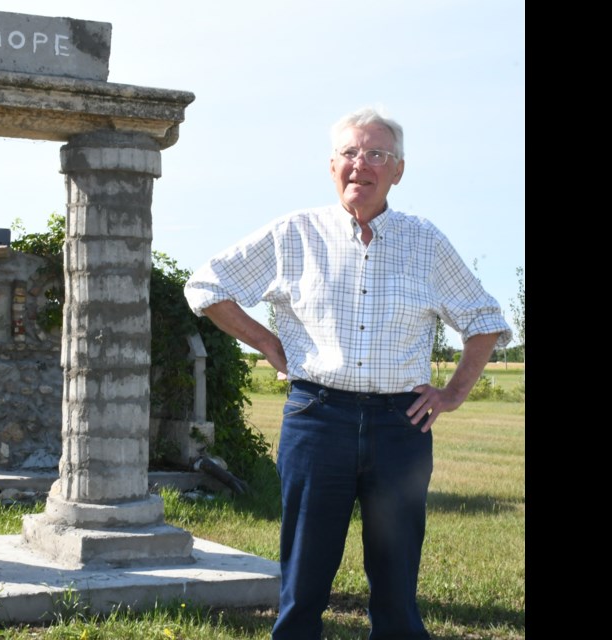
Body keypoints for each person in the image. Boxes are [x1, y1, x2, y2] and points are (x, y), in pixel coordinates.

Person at [183, 107, 512, 640]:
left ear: (398, 170)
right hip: (317, 419)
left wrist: (453, 392)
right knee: (305, 578)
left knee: (397, 577)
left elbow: (486, 320)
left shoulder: (424, 241)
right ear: (332, 164)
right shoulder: (295, 233)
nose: (363, 164)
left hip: (399, 426)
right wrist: (267, 341)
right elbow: (206, 287)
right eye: (351, 153)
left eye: (377, 154)